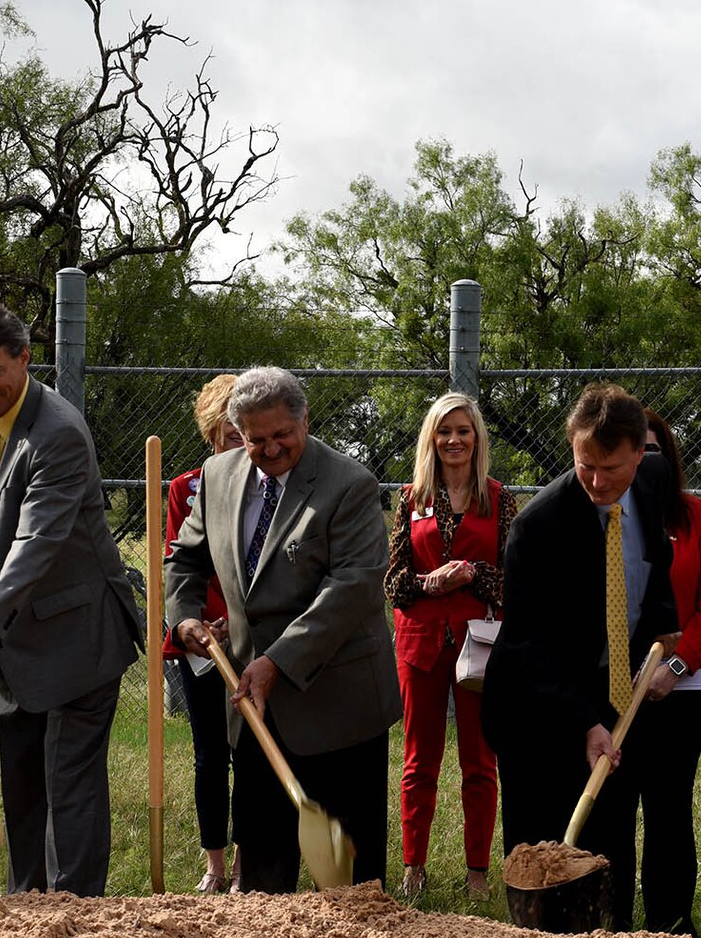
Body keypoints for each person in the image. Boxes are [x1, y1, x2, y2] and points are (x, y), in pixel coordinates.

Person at [0, 300, 143, 896]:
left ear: (25, 359)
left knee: (67, 783)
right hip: (15, 635)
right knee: (23, 781)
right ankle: (27, 910)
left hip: (80, 634)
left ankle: (75, 918)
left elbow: (36, 542)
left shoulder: (59, 432)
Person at [166, 366, 400, 893]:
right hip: (254, 706)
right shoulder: (218, 476)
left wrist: (278, 661)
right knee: (264, 876)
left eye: (282, 436)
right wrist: (183, 616)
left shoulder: (350, 485)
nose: (271, 450)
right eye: (256, 440)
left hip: (339, 706)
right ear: (238, 433)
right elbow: (184, 557)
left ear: (305, 420)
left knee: (349, 884)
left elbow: (353, 589)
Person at [481, 383, 678, 933]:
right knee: (544, 853)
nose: (595, 480)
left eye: (610, 468)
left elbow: (655, 569)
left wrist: (666, 637)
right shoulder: (537, 527)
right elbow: (528, 644)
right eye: (584, 464)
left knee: (612, 837)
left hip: (617, 693)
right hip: (539, 706)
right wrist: (584, 722)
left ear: (641, 454)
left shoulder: (656, 482)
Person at [384, 392, 516, 902]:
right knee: (419, 761)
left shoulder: (498, 499)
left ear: (477, 438)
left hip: (480, 644)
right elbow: (394, 581)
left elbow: (514, 582)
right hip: (420, 643)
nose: (454, 440)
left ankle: (478, 873)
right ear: (432, 439)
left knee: (481, 763)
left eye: (463, 431)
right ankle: (413, 868)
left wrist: (473, 574)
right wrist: (430, 583)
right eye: (445, 431)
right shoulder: (411, 498)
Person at [629, 408, 701, 936]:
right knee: (616, 807)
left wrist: (674, 664)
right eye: (633, 451)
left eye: (652, 450)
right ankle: (610, 919)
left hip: (684, 689)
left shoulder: (696, 516)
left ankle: (669, 922)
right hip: (618, 689)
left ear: (667, 457)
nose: (643, 462)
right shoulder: (603, 514)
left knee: (668, 806)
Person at [161, 374, 243, 893]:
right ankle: (214, 863)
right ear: (211, 432)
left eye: (246, 428)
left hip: (252, 639)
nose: (239, 436)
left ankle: (247, 863)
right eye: (229, 428)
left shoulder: (272, 482)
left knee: (251, 754)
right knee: (210, 752)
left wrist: (241, 623)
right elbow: (180, 561)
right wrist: (194, 623)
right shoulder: (186, 487)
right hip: (200, 643)